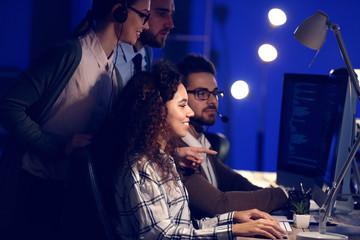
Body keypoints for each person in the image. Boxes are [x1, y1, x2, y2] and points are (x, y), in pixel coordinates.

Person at [0, 0, 150, 239]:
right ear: (118, 11)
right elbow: (9, 106)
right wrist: (56, 147)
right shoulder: (71, 54)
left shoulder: (111, 70)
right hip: (35, 186)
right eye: (144, 15)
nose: (147, 23)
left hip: (70, 191)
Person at [98, 59, 286, 239]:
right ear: (157, 111)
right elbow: (161, 236)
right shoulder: (142, 167)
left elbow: (186, 226)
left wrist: (234, 218)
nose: (189, 112)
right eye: (182, 105)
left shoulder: (165, 160)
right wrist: (233, 229)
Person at [176, 54, 288, 219]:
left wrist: (276, 197)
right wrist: (284, 195)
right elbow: (218, 204)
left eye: (215, 93)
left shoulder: (202, 141)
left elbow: (235, 182)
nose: (213, 101)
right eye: (201, 93)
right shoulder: (179, 149)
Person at [114, 0, 175, 86]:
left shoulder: (147, 53)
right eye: (161, 14)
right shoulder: (109, 56)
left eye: (171, 14)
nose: (170, 24)